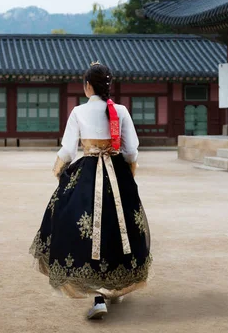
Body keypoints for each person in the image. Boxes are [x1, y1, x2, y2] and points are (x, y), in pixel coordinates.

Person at [29, 62, 152, 320]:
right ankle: (114, 288)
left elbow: (68, 150)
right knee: (119, 229)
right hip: (117, 173)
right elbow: (131, 151)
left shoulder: (78, 112)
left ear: (87, 86)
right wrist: (128, 171)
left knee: (84, 230)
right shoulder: (121, 111)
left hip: (87, 174)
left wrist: (58, 170)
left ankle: (98, 295)